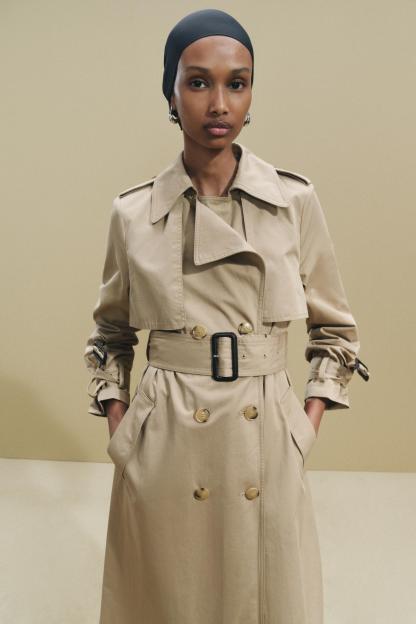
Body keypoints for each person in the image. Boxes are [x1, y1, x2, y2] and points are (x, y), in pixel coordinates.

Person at [83, 8, 369, 624]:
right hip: (166, 438)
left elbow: (335, 331)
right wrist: (122, 430)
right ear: (170, 93)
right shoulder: (133, 213)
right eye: (198, 82)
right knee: (168, 601)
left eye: (236, 83)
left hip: (263, 434)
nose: (219, 103)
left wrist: (302, 428)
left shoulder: (293, 201)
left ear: (251, 94)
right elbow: (109, 334)